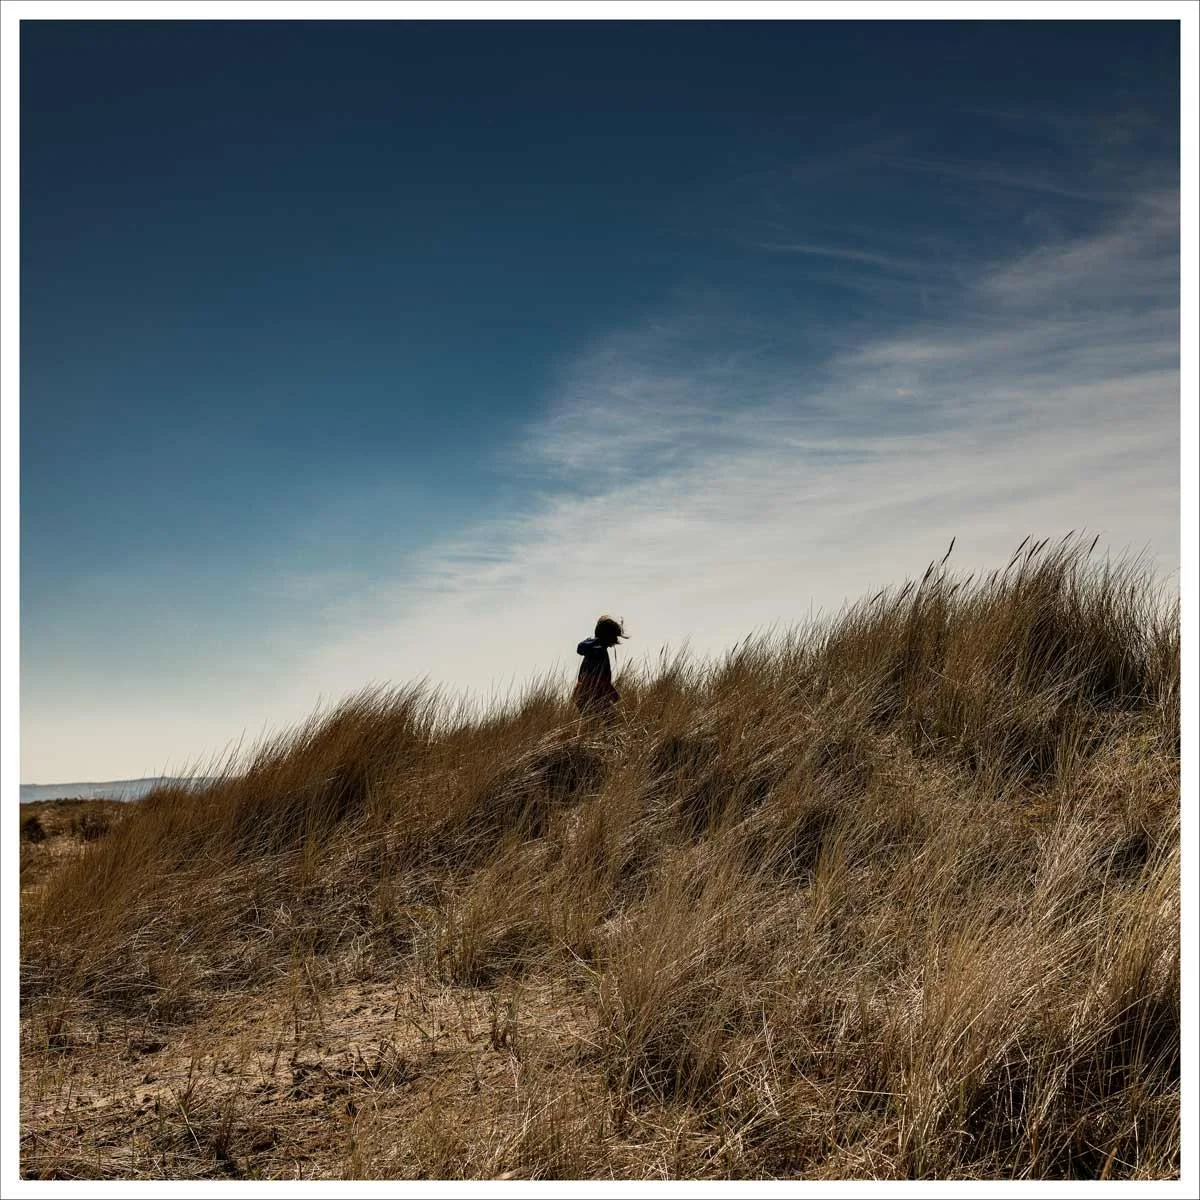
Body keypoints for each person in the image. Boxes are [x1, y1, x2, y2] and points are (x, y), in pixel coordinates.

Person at [574, 615, 626, 719]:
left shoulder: (591, 648)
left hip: (580, 693)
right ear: (608, 636)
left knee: (591, 724)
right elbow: (600, 679)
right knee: (612, 721)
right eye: (614, 636)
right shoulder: (600, 651)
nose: (615, 640)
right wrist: (614, 695)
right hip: (594, 695)